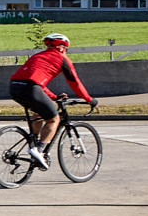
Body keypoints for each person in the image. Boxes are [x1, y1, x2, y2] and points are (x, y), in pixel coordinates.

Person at [9, 33, 96, 167]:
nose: (66, 52)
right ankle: (38, 149)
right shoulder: (62, 58)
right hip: (31, 88)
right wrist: (89, 99)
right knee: (53, 119)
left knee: (38, 113)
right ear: (61, 48)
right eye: (66, 49)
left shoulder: (37, 56)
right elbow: (75, 82)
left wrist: (55, 97)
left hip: (14, 87)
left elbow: (37, 83)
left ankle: (34, 141)